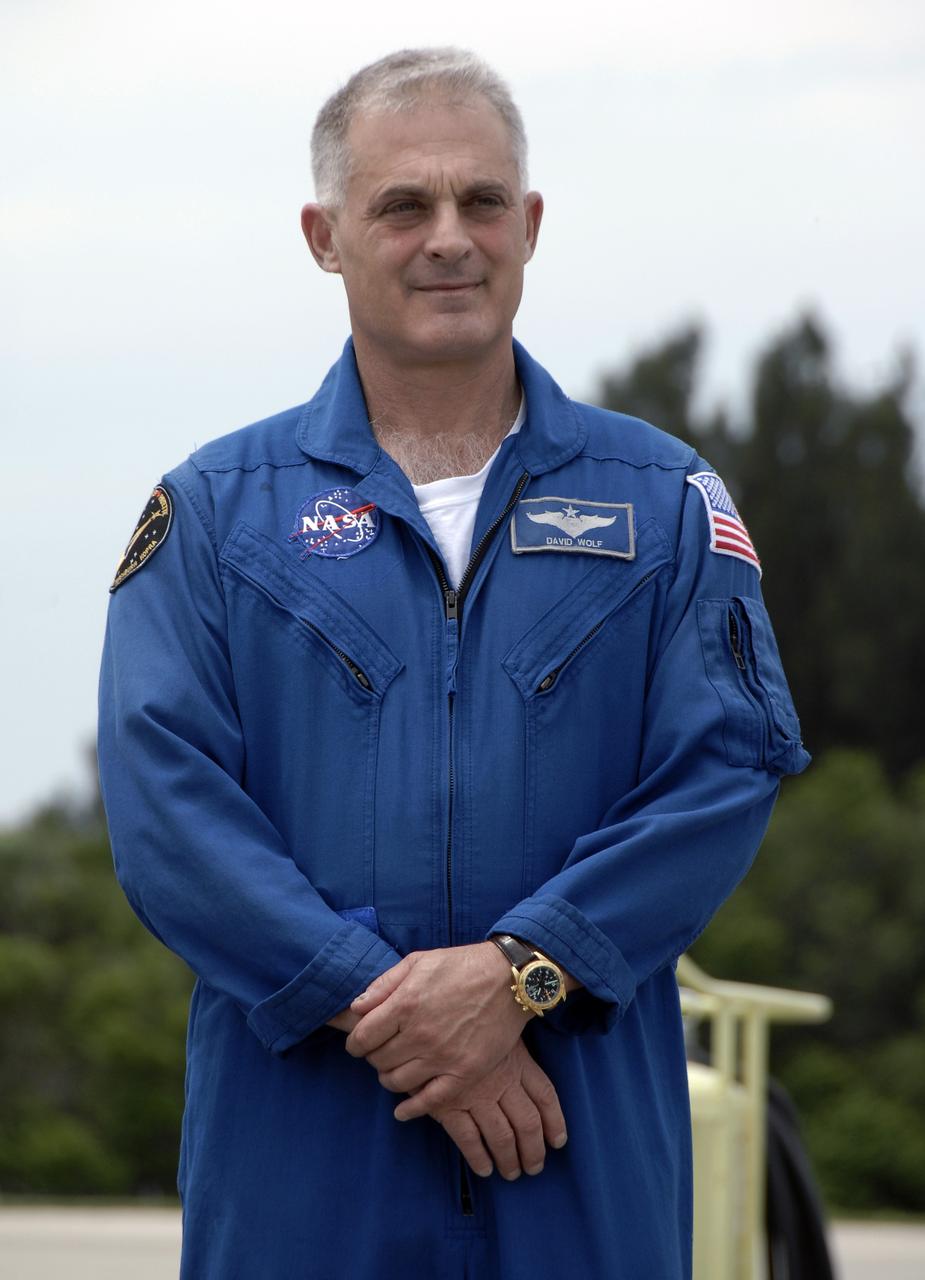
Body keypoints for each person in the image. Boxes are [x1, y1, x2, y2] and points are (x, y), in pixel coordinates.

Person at [98, 47, 809, 1280]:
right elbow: (169, 810)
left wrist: (523, 973)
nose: (449, 238)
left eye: (483, 201)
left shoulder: (666, 499)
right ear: (325, 236)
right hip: (299, 1152)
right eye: (402, 205)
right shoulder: (213, 512)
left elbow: (723, 771)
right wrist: (399, 1012)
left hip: (578, 1141)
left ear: (529, 226)